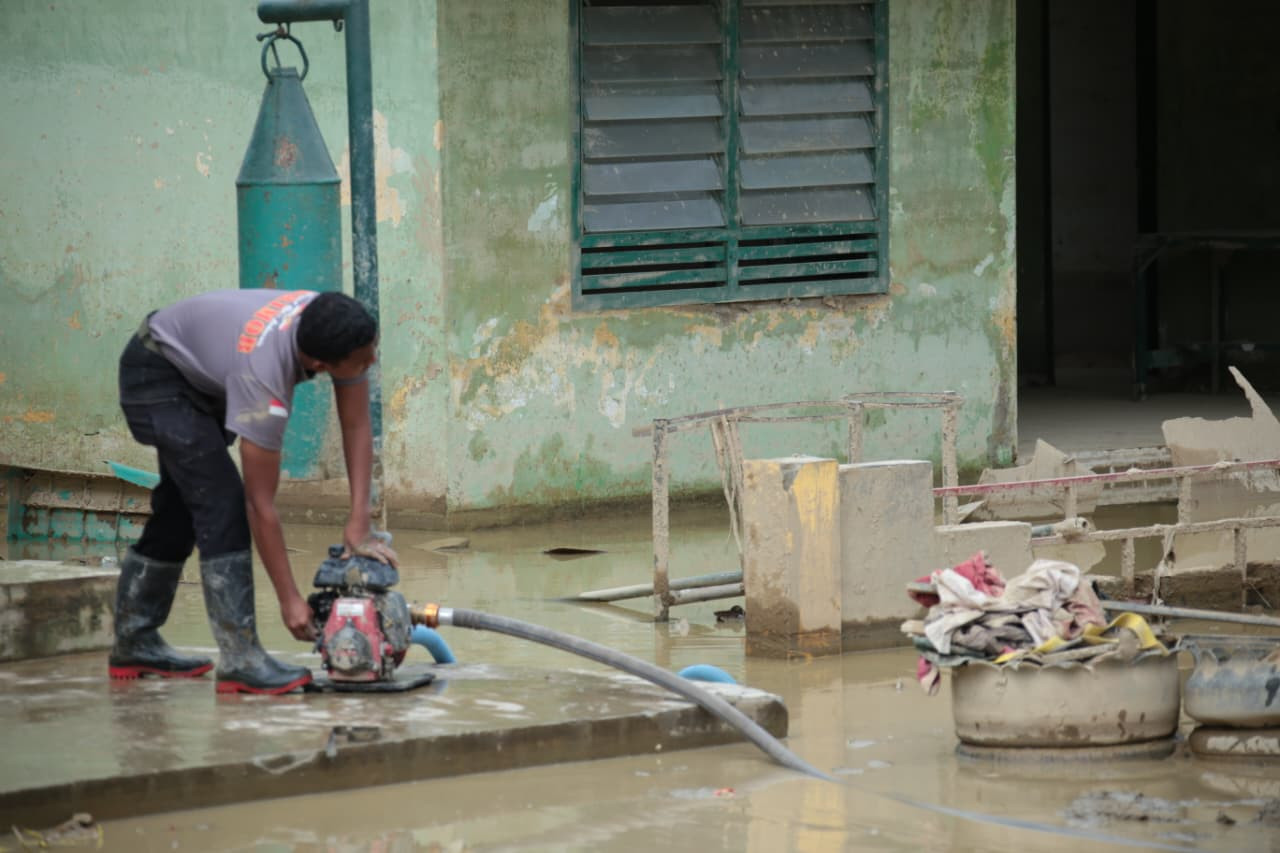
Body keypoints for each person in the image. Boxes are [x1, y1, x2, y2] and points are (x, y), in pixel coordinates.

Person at [110, 288, 398, 694]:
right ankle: (241, 659)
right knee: (222, 500)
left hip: (200, 372)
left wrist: (359, 519)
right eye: (363, 358)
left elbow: (356, 425)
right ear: (320, 364)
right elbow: (259, 504)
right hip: (156, 372)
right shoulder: (265, 376)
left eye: (372, 349)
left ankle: (134, 640)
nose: (371, 361)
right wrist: (291, 601)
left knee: (181, 507)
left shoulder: (336, 326)